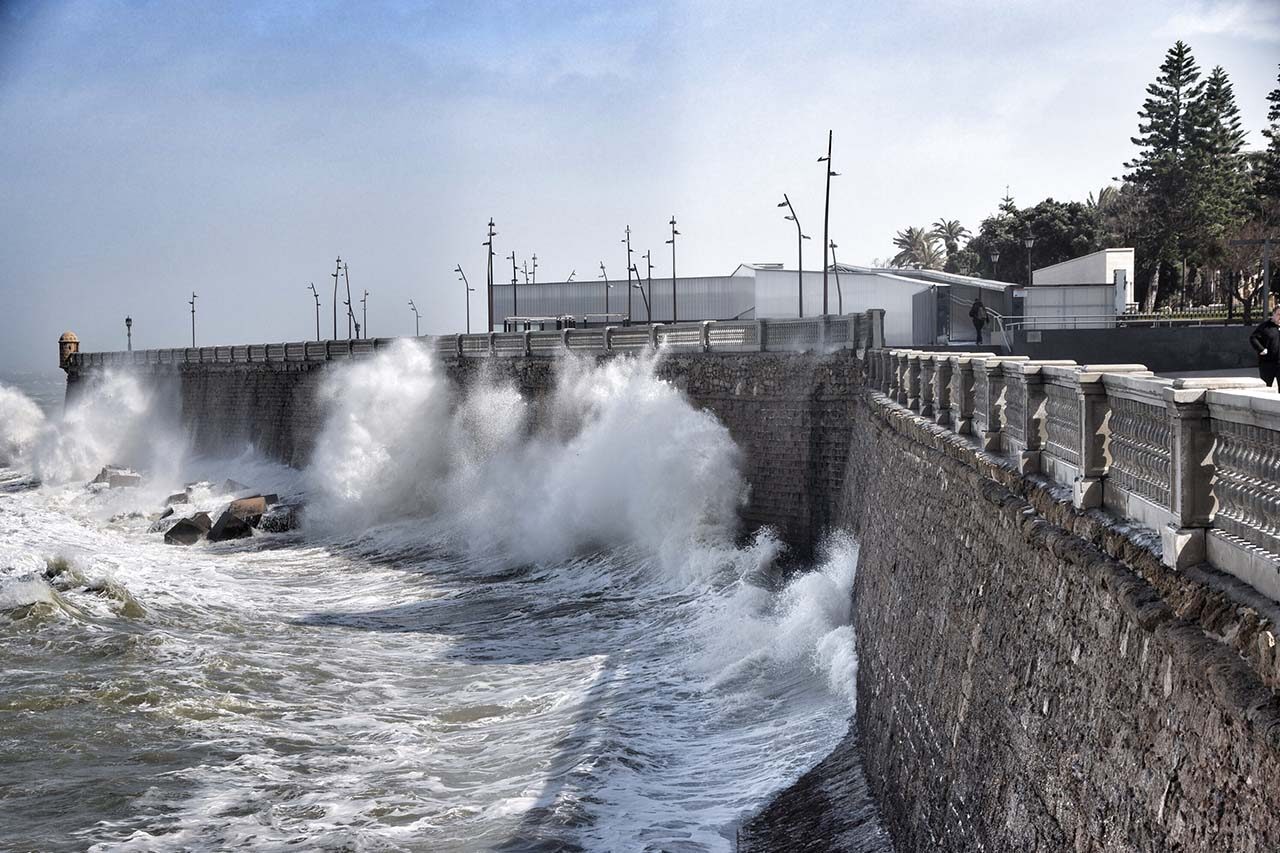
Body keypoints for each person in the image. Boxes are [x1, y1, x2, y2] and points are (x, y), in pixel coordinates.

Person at [1249, 305, 1280, 388]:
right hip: (1267, 363)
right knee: (1266, 386)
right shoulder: (1265, 327)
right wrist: (1261, 349)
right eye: (1278, 314)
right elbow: (1253, 338)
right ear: (1273, 314)